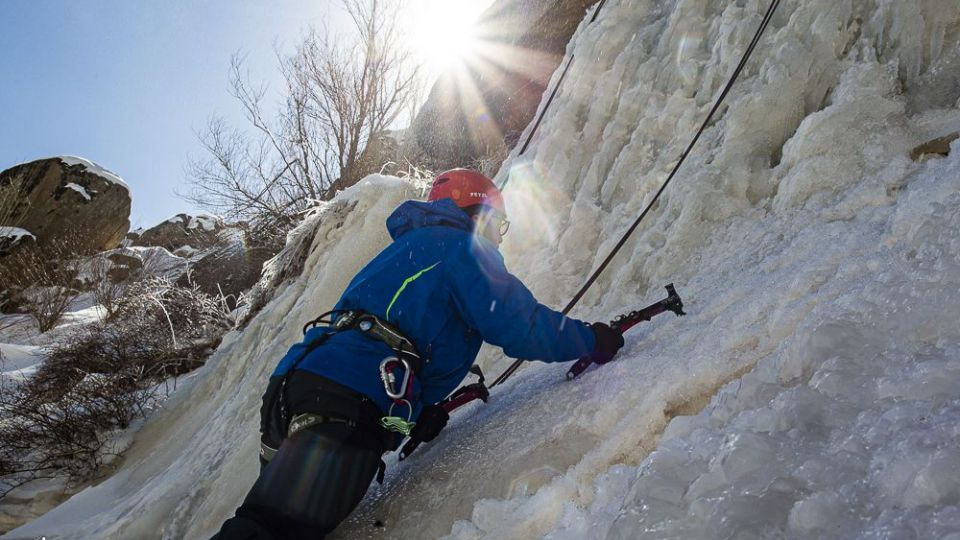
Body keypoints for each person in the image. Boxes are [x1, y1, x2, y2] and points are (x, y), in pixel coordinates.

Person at [213, 168, 625, 539]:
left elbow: (396, 331)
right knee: (272, 529)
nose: (499, 236)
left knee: (270, 521)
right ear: (477, 214)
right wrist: (591, 340)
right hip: (346, 399)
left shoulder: (407, 249)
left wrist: (414, 413)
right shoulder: (461, 247)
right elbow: (520, 325)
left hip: (299, 386)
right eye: (497, 222)